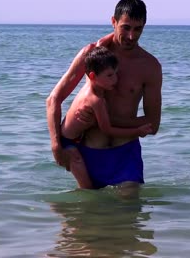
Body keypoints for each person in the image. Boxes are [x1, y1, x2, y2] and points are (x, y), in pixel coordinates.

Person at [47, 0, 162, 189]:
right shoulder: (93, 55)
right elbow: (53, 99)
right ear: (113, 22)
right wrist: (57, 146)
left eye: (138, 29)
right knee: (87, 215)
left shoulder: (150, 67)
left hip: (126, 154)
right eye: (126, 27)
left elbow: (154, 124)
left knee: (129, 213)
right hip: (89, 151)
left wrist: (103, 121)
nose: (131, 36)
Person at [60, 46, 153, 189]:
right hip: (69, 143)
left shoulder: (96, 89)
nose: (115, 80)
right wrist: (137, 132)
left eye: (116, 74)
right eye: (109, 75)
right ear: (92, 76)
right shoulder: (95, 100)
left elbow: (100, 43)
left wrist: (113, 35)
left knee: (92, 190)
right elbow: (108, 129)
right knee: (87, 190)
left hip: (76, 137)